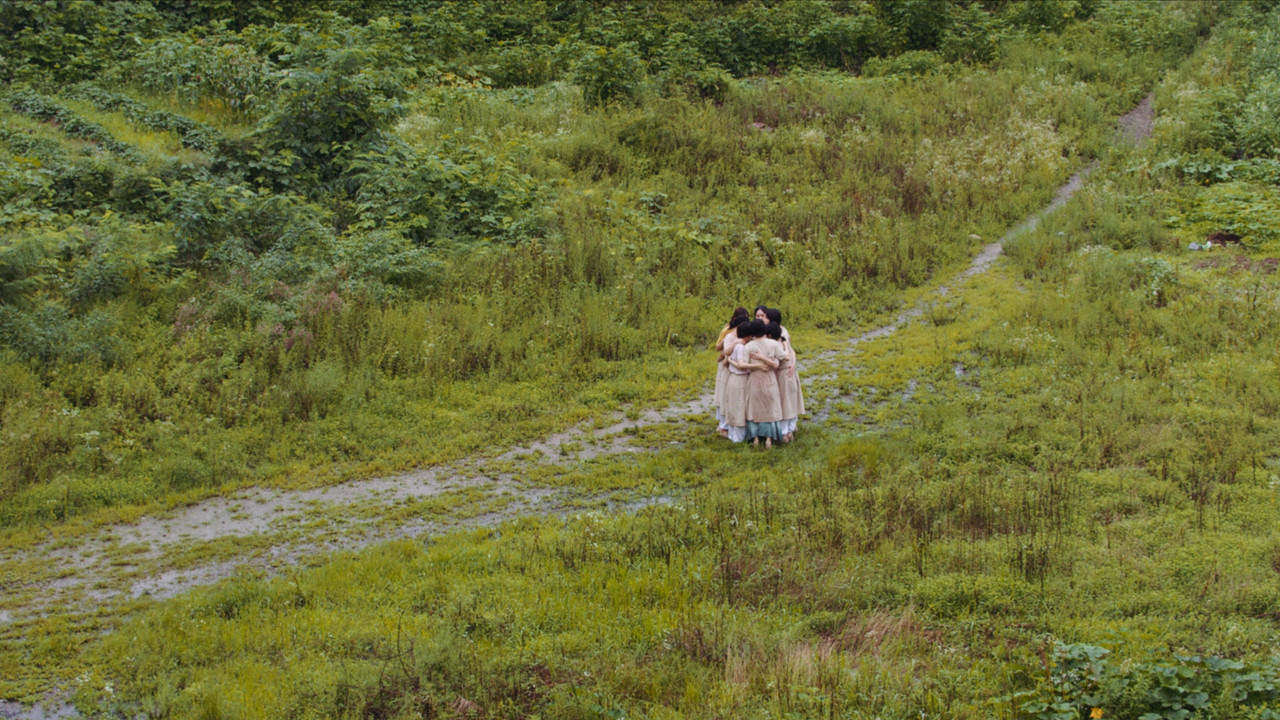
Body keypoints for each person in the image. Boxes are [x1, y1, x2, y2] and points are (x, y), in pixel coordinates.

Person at [742, 319, 784, 448]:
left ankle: (755, 437)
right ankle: (768, 438)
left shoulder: (748, 346)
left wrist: (757, 364)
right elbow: (782, 358)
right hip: (769, 379)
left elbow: (743, 365)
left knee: (754, 408)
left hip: (755, 379)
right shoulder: (773, 344)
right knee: (770, 407)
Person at [765, 308, 803, 442]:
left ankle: (785, 431)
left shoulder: (778, 337)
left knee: (785, 401)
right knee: (789, 400)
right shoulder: (780, 336)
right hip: (787, 370)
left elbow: (787, 353)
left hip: (783, 372)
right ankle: (789, 429)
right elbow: (791, 351)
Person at [714, 312, 750, 437]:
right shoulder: (729, 336)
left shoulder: (743, 338)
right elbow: (723, 351)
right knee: (724, 396)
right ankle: (724, 425)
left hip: (734, 368)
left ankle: (730, 425)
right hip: (729, 369)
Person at [721, 321, 757, 443]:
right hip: (740, 379)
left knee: (734, 405)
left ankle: (732, 434)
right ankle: (738, 437)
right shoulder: (741, 347)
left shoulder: (736, 345)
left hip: (733, 379)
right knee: (739, 406)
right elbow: (741, 365)